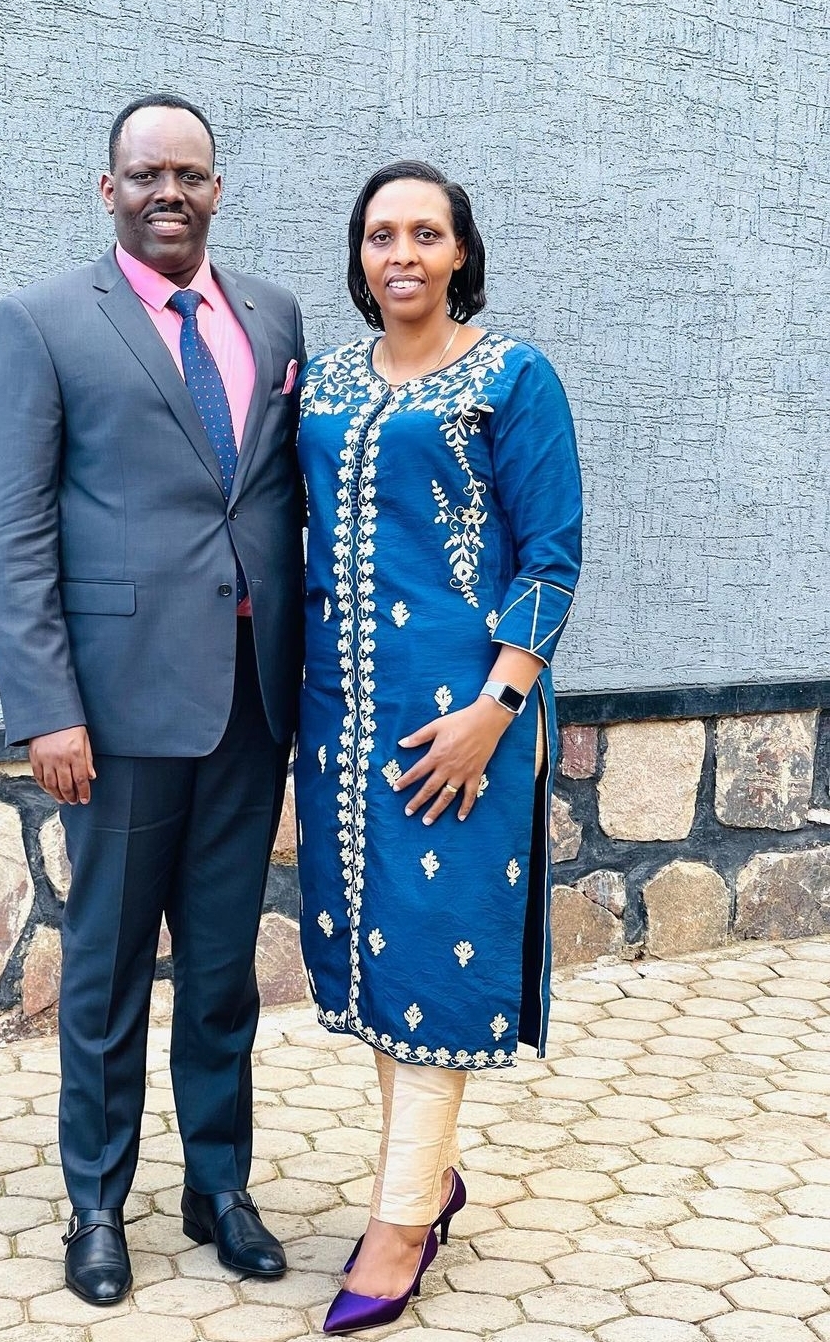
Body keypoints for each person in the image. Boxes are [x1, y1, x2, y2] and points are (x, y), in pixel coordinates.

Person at [0, 94, 305, 1307]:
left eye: (191, 174)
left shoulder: (273, 315)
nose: (171, 192)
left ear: (218, 188)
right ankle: (98, 1204)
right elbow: (9, 531)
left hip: (250, 705)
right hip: (112, 718)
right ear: (107, 188)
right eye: (147, 173)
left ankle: (219, 1188)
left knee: (222, 968)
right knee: (109, 971)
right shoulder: (44, 322)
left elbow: (276, 496)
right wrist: (46, 706)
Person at [294, 160, 583, 1333]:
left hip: (466, 723)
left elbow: (549, 559)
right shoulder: (322, 385)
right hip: (343, 722)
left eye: (425, 233)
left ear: (461, 250)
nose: (401, 253)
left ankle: (402, 1220)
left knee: (438, 951)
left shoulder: (511, 377)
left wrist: (494, 711)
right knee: (381, 957)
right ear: (360, 256)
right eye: (380, 235)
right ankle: (429, 1173)